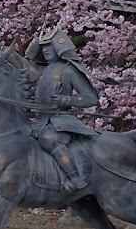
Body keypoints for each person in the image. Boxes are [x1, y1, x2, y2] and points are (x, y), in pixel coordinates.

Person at [19, 24, 100, 191]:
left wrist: (66, 99)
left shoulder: (69, 70)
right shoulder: (41, 70)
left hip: (60, 120)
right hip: (38, 119)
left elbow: (91, 98)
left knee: (49, 138)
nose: (46, 50)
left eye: (50, 46)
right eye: (43, 47)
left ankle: (75, 178)